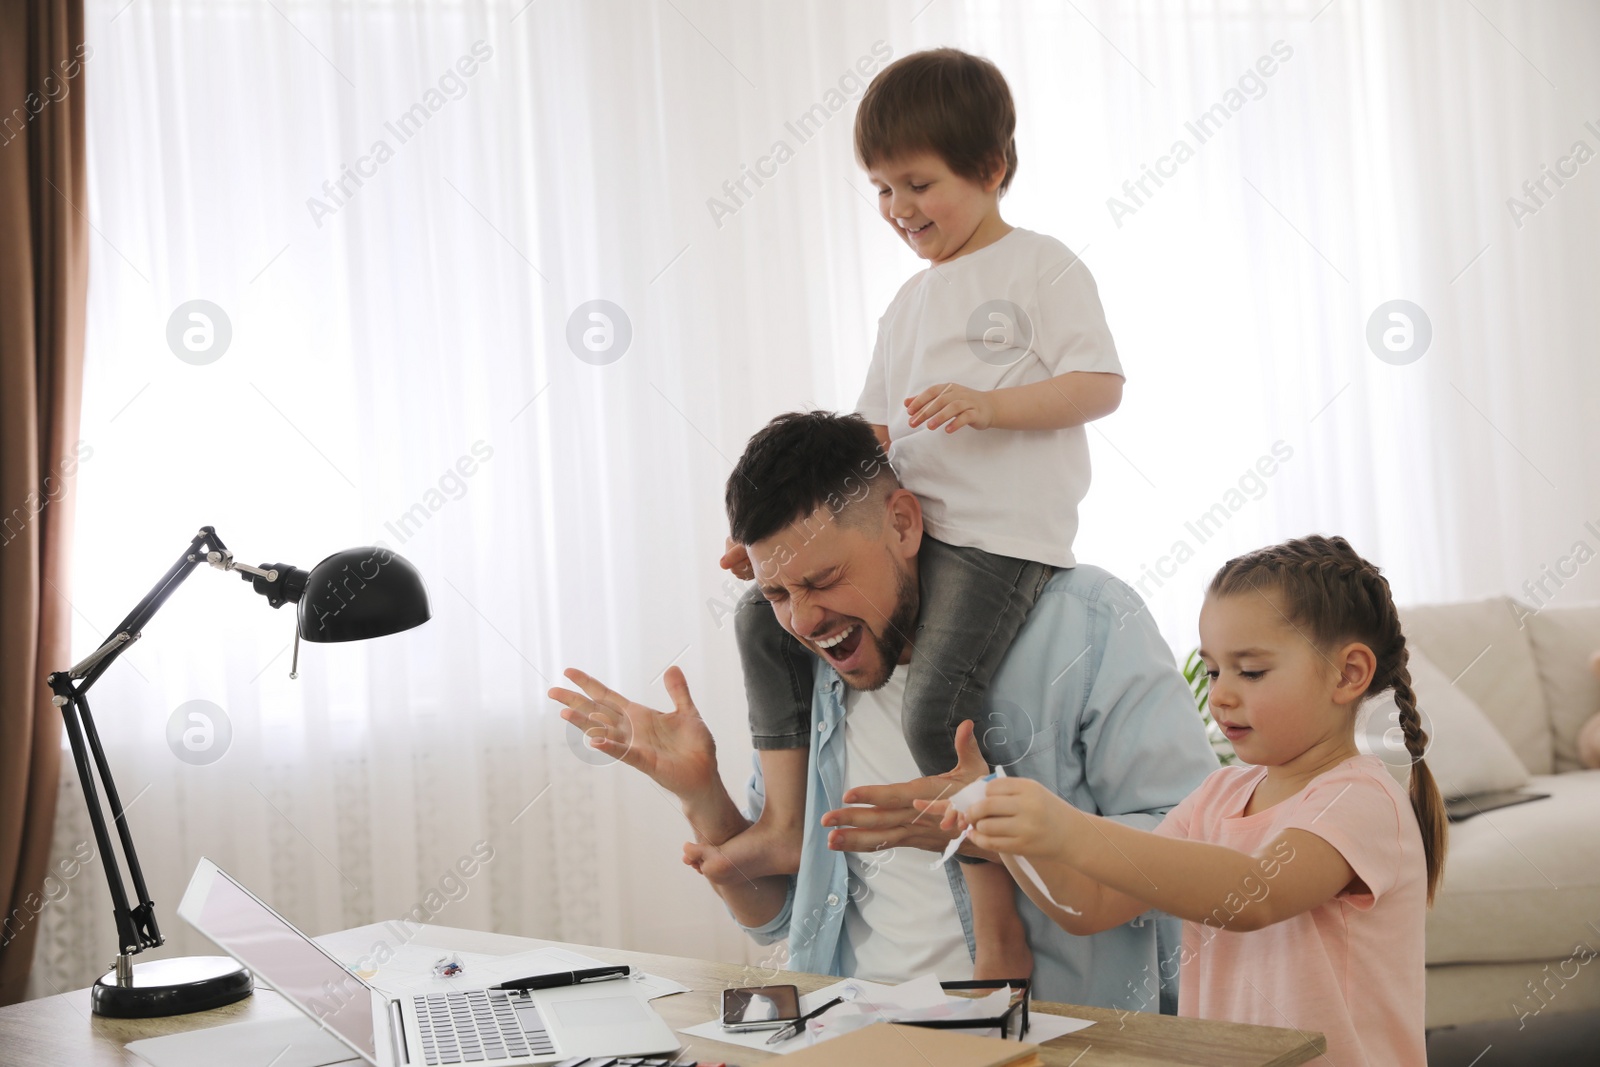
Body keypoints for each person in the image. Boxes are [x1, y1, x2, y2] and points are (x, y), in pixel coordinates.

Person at [552, 411, 1219, 1008]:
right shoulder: (807, 679)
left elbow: (1200, 851)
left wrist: (1004, 834)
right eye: (778, 593)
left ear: (903, 522)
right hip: (853, 1035)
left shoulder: (1086, 622)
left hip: (1053, 1037)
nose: (804, 618)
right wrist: (700, 794)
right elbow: (779, 914)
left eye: (823, 579)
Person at [711, 47, 1125, 981]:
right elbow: (867, 431)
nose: (899, 208)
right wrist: (772, 535)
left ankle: (993, 911)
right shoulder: (907, 303)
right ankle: (783, 825)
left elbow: (1100, 385)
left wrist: (994, 405)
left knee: (937, 710)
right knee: (755, 620)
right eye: (882, 188)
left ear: (992, 169)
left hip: (999, 546)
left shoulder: (1042, 268)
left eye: (918, 183)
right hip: (921, 537)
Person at [929, 534, 1443, 1065]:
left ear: (1348, 674)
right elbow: (1085, 905)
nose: (1219, 694)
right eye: (1214, 670)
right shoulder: (1217, 795)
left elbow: (1253, 896)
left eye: (1251, 671)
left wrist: (1067, 827)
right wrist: (1002, 815)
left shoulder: (1362, 799)